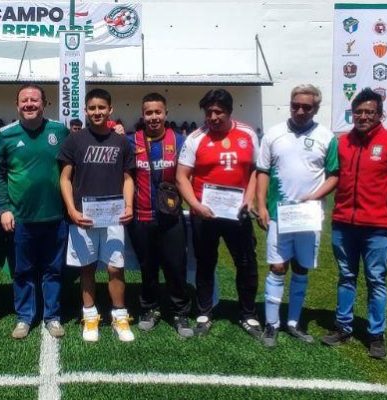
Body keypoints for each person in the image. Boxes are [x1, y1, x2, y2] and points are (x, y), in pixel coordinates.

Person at [321, 88, 387, 360]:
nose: (363, 116)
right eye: (359, 112)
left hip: (377, 227)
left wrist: (383, 200)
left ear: (379, 114)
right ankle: (343, 327)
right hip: (343, 224)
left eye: (369, 112)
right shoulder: (342, 142)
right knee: (346, 277)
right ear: (353, 113)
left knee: (376, 280)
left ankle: (376, 335)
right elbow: (333, 176)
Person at [255, 85, 339, 348]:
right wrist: (261, 206)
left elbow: (334, 174)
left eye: (307, 107)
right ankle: (271, 324)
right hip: (280, 214)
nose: (300, 111)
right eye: (296, 105)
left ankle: (293, 322)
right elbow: (263, 171)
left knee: (301, 268)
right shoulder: (274, 134)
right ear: (290, 105)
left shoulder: (327, 137)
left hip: (308, 215)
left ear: (316, 108)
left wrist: (314, 197)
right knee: (278, 267)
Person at [175, 88, 262, 339]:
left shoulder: (247, 134)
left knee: (246, 263)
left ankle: (248, 314)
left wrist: (249, 199)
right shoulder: (195, 138)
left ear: (229, 111)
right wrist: (196, 205)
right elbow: (182, 177)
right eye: (209, 112)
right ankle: (204, 312)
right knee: (205, 262)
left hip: (238, 213)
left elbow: (256, 170)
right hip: (205, 213)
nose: (213, 117)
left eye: (218, 112)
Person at [0, 84, 69, 339]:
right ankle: (24, 317)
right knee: (23, 271)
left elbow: (72, 170)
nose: (29, 104)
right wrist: (4, 208)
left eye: (34, 100)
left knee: (54, 270)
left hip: (55, 216)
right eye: (24, 100)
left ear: (43, 104)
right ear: (17, 105)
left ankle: (53, 316)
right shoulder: (6, 135)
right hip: (21, 218)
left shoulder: (59, 131)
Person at [58, 88, 136, 342]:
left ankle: (119, 316)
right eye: (92, 108)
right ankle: (90, 316)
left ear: (110, 109)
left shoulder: (121, 141)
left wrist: (129, 205)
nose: (97, 112)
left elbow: (127, 178)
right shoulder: (75, 140)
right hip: (84, 216)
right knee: (87, 269)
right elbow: (65, 178)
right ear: (85, 110)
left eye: (102, 107)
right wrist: (71, 209)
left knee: (115, 268)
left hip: (113, 216)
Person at [128, 93, 193, 338]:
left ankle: (179, 312)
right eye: (149, 113)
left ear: (166, 113)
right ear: (142, 115)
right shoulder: (131, 141)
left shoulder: (178, 141)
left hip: (171, 217)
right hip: (141, 216)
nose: (153, 117)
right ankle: (149, 308)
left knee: (176, 266)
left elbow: (187, 177)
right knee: (147, 267)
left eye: (158, 112)